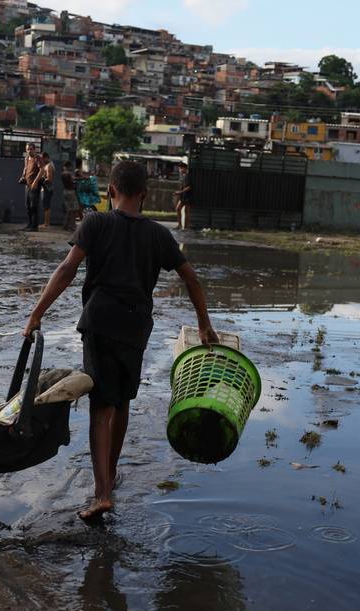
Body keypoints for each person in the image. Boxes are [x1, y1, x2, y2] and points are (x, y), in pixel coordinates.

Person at [22, 160, 218, 521]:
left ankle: (101, 494)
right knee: (122, 403)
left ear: (110, 192)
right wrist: (204, 324)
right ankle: (108, 478)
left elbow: (67, 269)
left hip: (100, 323)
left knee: (101, 408)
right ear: (143, 195)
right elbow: (191, 277)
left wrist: (37, 313)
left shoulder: (95, 222)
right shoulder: (158, 234)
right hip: (136, 328)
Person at [20, 145, 41, 232]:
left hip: (34, 185)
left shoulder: (37, 158)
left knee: (34, 206)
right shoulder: (27, 158)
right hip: (27, 185)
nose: (29, 151)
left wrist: (35, 182)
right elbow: (25, 168)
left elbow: (42, 170)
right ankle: (29, 224)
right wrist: (23, 176)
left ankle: (34, 226)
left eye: (31, 149)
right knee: (28, 205)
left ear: (34, 149)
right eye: (28, 149)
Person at [34, 152, 56, 229]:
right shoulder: (47, 165)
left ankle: (46, 224)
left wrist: (41, 179)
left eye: (42, 158)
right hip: (46, 188)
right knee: (45, 206)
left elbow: (49, 179)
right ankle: (46, 223)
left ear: (46, 157)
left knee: (46, 206)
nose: (42, 160)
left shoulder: (49, 166)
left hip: (47, 189)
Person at [61, 161, 82, 232]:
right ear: (68, 166)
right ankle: (72, 226)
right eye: (70, 166)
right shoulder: (68, 174)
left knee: (68, 210)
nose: (71, 168)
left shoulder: (62, 173)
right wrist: (83, 178)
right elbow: (73, 179)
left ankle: (65, 225)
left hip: (65, 191)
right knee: (74, 209)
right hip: (71, 192)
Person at [173, 163, 192, 229]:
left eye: (180, 168)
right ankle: (180, 225)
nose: (180, 170)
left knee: (186, 211)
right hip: (183, 196)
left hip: (188, 197)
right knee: (178, 209)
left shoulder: (188, 176)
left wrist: (180, 192)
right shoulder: (183, 176)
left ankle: (186, 227)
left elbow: (189, 187)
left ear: (184, 168)